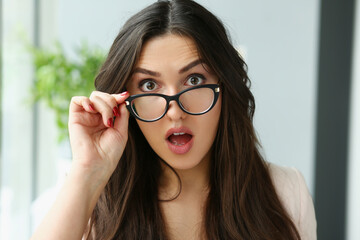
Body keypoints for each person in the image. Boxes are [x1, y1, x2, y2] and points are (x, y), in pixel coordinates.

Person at [31, 0, 317, 239]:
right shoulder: (85, 198)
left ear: (225, 87)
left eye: (194, 79)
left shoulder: (287, 193)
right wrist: (87, 171)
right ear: (123, 99)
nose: (175, 111)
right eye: (149, 85)